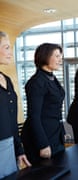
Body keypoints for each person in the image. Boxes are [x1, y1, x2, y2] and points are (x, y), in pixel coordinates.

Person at [21, 43, 66, 165]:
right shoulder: (36, 82)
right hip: (41, 137)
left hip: (54, 134)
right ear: (45, 57)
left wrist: (62, 133)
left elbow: (54, 110)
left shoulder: (51, 78)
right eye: (57, 56)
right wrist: (43, 144)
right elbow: (33, 116)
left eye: (60, 56)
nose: (60, 59)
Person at [0, 31, 31, 178]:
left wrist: (19, 150)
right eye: (6, 47)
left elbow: (12, 120)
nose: (10, 52)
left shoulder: (7, 80)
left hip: (9, 147)